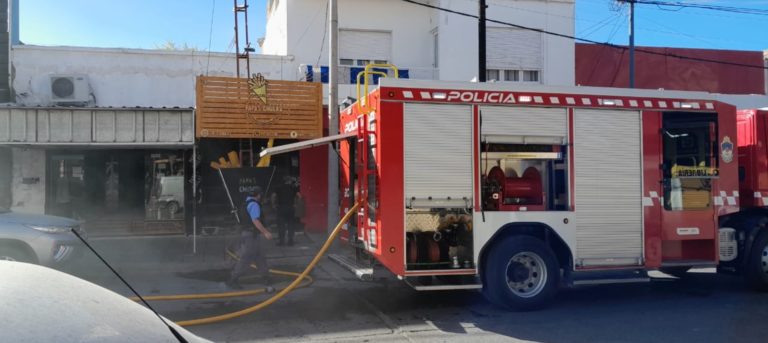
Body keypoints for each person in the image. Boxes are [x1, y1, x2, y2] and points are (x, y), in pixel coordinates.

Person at [226, 187, 273, 291]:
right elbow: (255, 220)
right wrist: (265, 232)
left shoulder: (246, 203)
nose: (261, 197)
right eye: (261, 195)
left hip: (251, 235)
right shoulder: (254, 205)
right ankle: (233, 279)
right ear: (258, 195)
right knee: (246, 258)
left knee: (260, 257)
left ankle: (266, 278)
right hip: (250, 236)